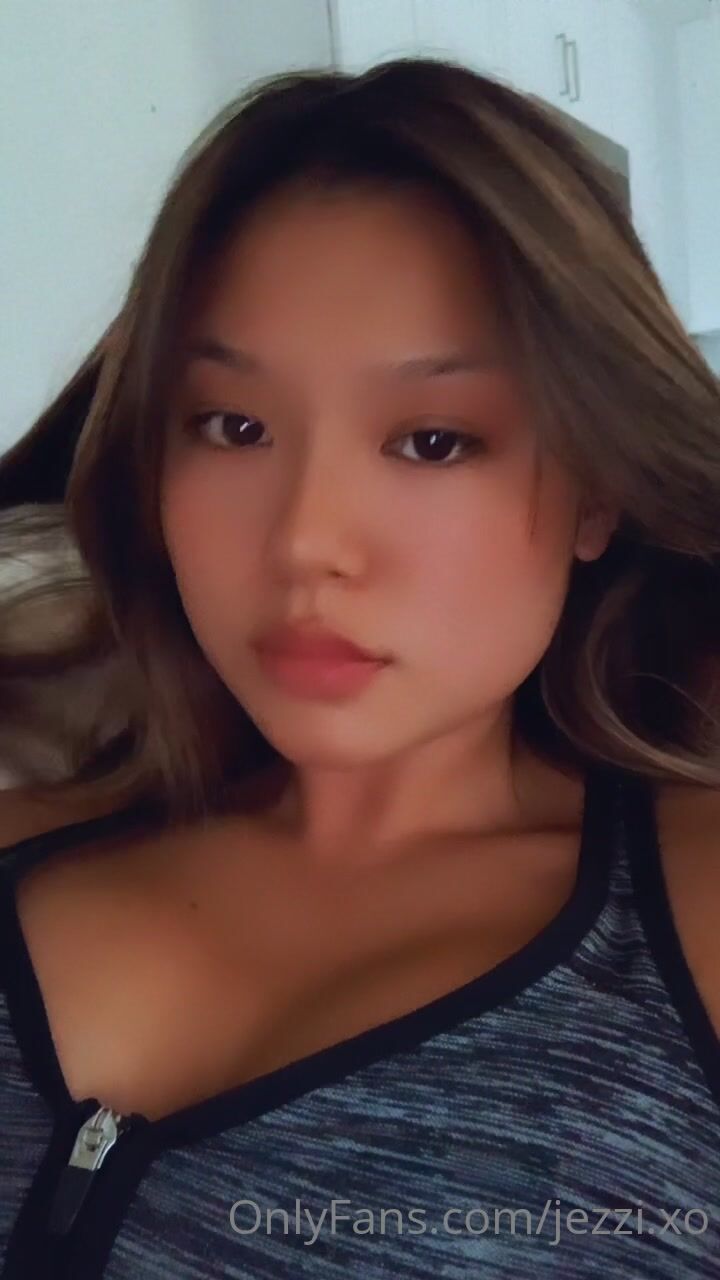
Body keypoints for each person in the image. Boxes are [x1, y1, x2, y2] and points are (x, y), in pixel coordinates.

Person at [0, 56, 719, 1280]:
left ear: (599, 485)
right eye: (233, 425)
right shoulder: (28, 834)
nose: (305, 541)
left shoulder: (688, 917)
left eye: (433, 440)